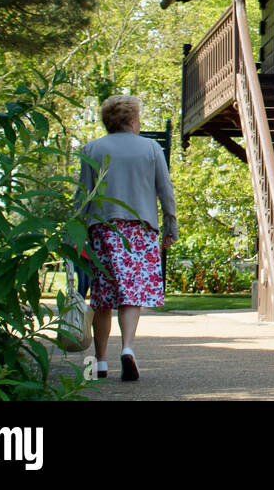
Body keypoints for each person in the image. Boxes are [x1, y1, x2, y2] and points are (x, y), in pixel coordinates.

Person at [75, 95, 179, 381]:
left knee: (102, 297)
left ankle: (99, 362)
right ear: (133, 119)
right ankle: (128, 349)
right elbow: (165, 191)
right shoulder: (151, 149)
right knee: (130, 294)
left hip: (101, 230)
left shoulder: (91, 149)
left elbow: (83, 195)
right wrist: (170, 225)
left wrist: (75, 233)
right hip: (139, 230)